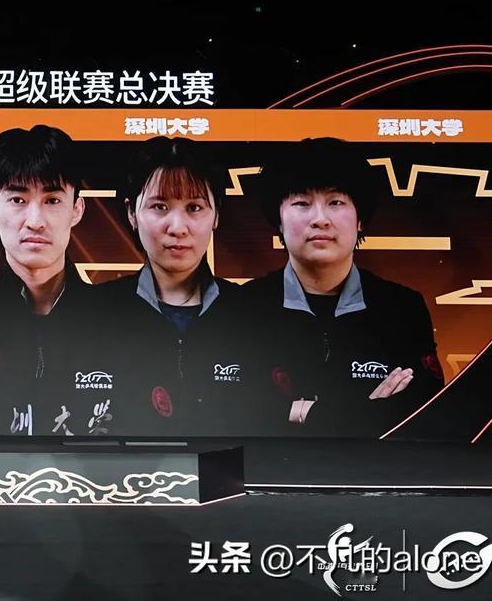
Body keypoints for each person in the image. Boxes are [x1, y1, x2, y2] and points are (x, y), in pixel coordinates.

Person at [242, 137, 444, 436]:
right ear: (279, 222)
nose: (320, 219)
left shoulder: (403, 307)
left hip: (376, 467)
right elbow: (235, 408)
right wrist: (366, 410)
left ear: (360, 219)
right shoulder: (243, 306)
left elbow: (423, 410)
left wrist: (297, 412)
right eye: (302, 203)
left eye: (335, 202)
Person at [91, 137, 258, 435]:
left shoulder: (254, 314)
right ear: (131, 213)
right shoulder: (92, 312)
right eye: (159, 206)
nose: (178, 227)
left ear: (216, 214)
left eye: (194, 207)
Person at [0, 125, 116, 437]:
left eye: (52, 200)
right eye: (17, 199)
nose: (35, 221)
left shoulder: (120, 318)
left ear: (77, 209)